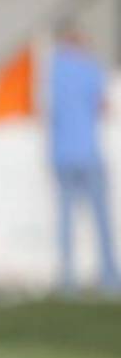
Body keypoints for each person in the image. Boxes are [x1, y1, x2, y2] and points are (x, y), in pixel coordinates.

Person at [48, 27, 119, 292]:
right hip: (88, 153)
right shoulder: (90, 68)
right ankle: (110, 276)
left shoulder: (53, 68)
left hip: (60, 155)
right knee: (101, 219)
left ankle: (68, 279)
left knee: (66, 219)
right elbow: (103, 107)